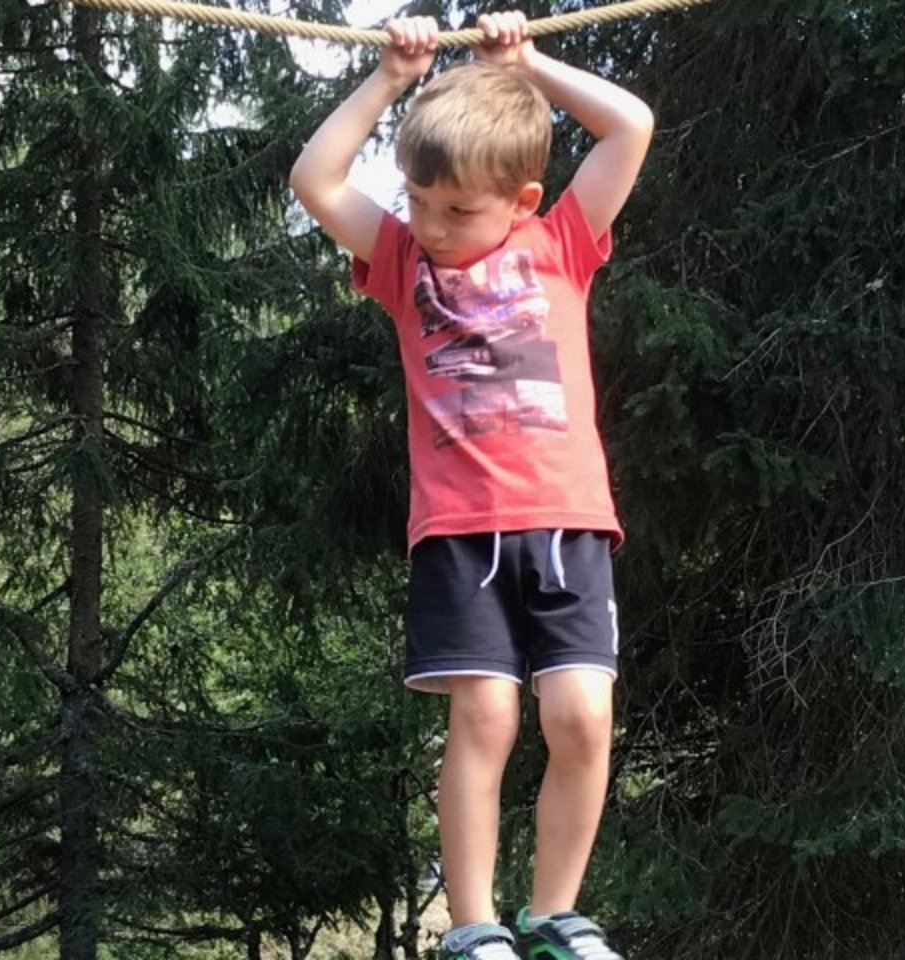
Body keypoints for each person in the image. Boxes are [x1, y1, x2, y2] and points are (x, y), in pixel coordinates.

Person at [288, 11, 653, 960]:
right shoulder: (403, 259)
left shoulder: (561, 244)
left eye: (458, 211)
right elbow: (315, 181)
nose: (433, 226)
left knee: (578, 714)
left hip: (570, 525)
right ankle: (473, 928)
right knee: (485, 716)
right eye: (418, 201)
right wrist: (389, 79)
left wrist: (530, 65)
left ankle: (557, 913)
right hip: (459, 531)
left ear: (522, 200)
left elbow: (630, 125)